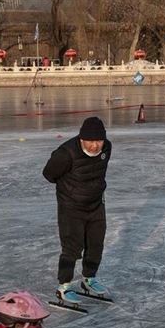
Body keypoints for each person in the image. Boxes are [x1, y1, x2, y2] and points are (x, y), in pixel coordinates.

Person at [42, 116, 113, 303]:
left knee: (96, 244)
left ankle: (89, 279)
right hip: (71, 207)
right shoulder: (66, 153)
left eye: (98, 140)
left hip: (96, 204)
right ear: (81, 139)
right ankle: (64, 286)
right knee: (72, 248)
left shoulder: (107, 147)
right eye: (90, 141)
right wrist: (70, 191)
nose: (95, 146)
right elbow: (49, 174)